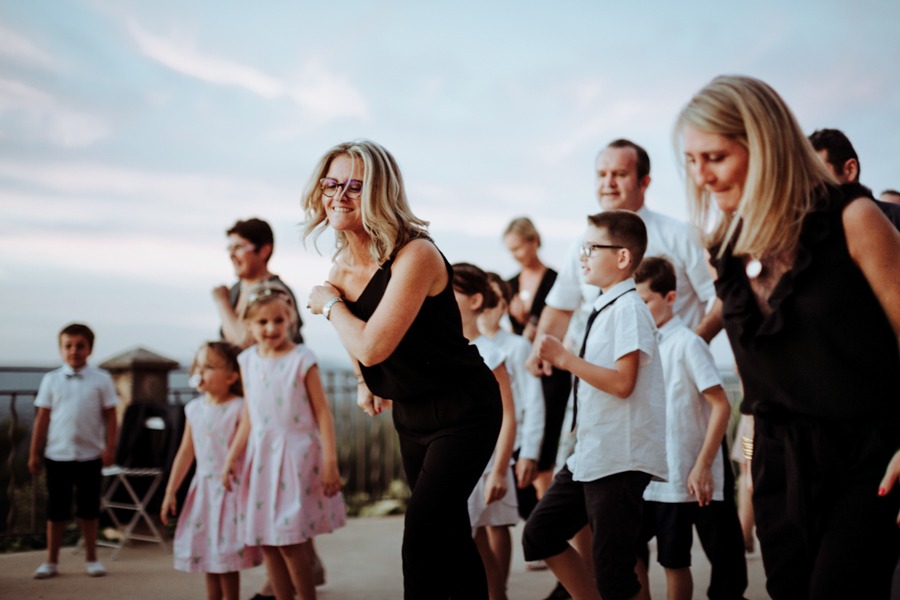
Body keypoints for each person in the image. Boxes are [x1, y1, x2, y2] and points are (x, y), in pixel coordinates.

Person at [676, 74, 900, 599]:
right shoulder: (725, 249)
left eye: (714, 157)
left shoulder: (855, 218)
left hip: (864, 459)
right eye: (691, 161)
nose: (701, 176)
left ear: (764, 143)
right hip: (776, 463)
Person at [303, 139, 502, 599]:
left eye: (355, 186)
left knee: (422, 539)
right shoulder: (341, 265)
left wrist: (329, 304)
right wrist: (360, 382)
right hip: (410, 416)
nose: (338, 195)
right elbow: (360, 347)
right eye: (331, 183)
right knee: (450, 534)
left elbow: (371, 344)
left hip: (464, 409)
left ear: (379, 193)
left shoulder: (416, 255)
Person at [523, 210, 667, 600]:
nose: (581, 256)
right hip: (592, 454)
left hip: (619, 457)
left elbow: (623, 383)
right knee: (539, 534)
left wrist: (566, 359)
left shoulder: (629, 309)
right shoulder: (605, 308)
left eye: (591, 248)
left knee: (614, 572)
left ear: (622, 258)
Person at [222, 283, 346, 600]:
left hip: (297, 457)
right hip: (261, 458)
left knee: (291, 542)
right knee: (268, 543)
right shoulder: (247, 360)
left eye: (278, 320)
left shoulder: (302, 359)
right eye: (262, 322)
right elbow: (251, 416)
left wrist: (330, 463)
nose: (271, 328)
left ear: (289, 320)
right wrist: (232, 457)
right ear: (249, 325)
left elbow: (322, 413)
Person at [633, 257, 747, 600]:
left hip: (682, 475)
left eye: (646, 301)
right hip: (645, 473)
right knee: (631, 554)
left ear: (670, 297)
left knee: (674, 560)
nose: (640, 309)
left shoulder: (687, 343)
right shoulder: (639, 348)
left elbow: (721, 404)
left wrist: (702, 464)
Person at [161, 341, 263, 600]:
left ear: (230, 377)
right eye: (198, 366)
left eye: (208, 366)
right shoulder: (193, 409)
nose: (199, 371)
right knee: (208, 557)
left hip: (230, 491)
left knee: (226, 557)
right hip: (203, 490)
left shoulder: (240, 408)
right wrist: (170, 491)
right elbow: (185, 453)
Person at [28, 323, 119, 579]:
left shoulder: (101, 379)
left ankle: (92, 558)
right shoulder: (51, 379)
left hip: (90, 455)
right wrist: (34, 453)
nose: (74, 351)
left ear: (89, 348)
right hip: (57, 455)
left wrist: (110, 446)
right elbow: (42, 418)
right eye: (68, 346)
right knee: (56, 511)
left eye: (80, 345)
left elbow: (111, 416)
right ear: (61, 349)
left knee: (89, 510)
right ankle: (51, 561)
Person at [452, 262, 519, 600]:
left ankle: (497, 595)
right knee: (468, 537)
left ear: (475, 300)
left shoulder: (490, 354)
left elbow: (509, 415)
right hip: (455, 458)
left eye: (452, 291)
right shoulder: (445, 351)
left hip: (486, 462)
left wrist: (500, 469)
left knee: (480, 534)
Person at [503, 218, 570, 499]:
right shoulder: (509, 285)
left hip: (552, 371)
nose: (516, 255)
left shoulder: (557, 280)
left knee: (548, 447)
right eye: (511, 250)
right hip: (523, 372)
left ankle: (547, 505)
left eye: (519, 247)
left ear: (533, 241)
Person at [480, 272, 546, 521]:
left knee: (501, 519)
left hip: (513, 444)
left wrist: (529, 452)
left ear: (504, 306)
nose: (485, 308)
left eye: (492, 300)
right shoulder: (465, 344)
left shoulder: (517, 346)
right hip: (478, 444)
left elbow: (533, 401)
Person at [213, 217, 304, 348]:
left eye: (239, 247)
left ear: (264, 251)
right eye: (230, 248)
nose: (231, 255)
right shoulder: (236, 289)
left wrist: (222, 302)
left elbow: (246, 345)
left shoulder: (276, 294)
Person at [808, 128, 900, 228]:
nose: (810, 184)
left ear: (850, 170)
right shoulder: (808, 232)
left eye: (818, 173)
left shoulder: (895, 218)